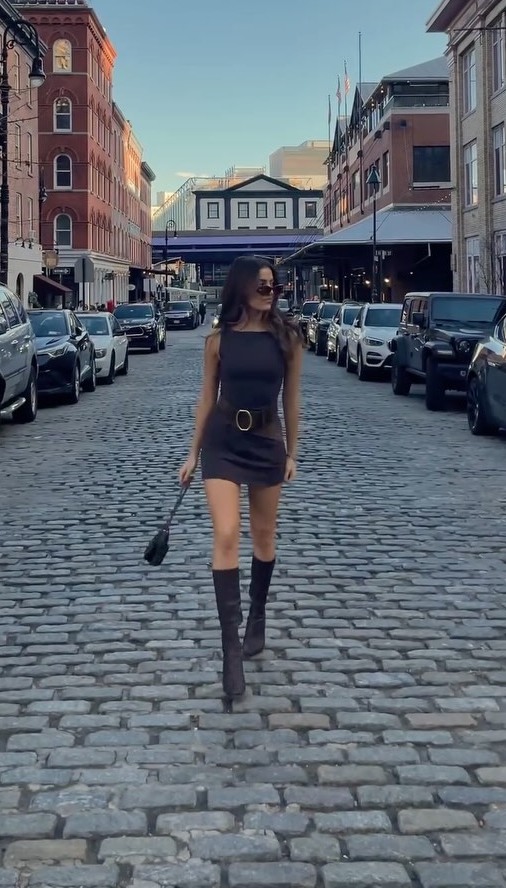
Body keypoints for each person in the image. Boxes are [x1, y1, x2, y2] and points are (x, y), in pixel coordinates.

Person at [179, 256, 302, 702]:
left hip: (266, 441)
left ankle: (258, 615)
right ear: (242, 288)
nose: (269, 293)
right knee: (227, 533)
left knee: (264, 538)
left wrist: (292, 451)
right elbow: (205, 398)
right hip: (223, 441)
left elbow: (292, 400)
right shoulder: (218, 340)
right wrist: (193, 453)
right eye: (262, 286)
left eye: (274, 287)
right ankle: (231, 651)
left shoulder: (288, 338)